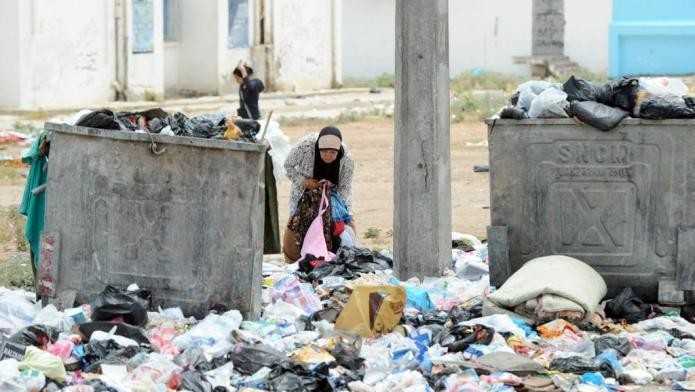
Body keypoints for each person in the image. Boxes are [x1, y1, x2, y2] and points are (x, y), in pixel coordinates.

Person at [283, 126, 356, 262]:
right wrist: (304, 182)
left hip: (333, 195)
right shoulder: (305, 147)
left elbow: (345, 188)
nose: (328, 156)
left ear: (338, 151)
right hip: (304, 193)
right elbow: (288, 166)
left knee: (345, 224)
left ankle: (341, 259)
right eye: (324, 152)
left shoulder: (347, 160)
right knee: (296, 222)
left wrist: (334, 207)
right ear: (318, 149)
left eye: (332, 153)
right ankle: (294, 260)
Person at [232, 62, 281, 254]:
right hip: (247, 120)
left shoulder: (249, 86)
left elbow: (254, 85)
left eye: (236, 77)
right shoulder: (243, 88)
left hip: (253, 122)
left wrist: (244, 75)